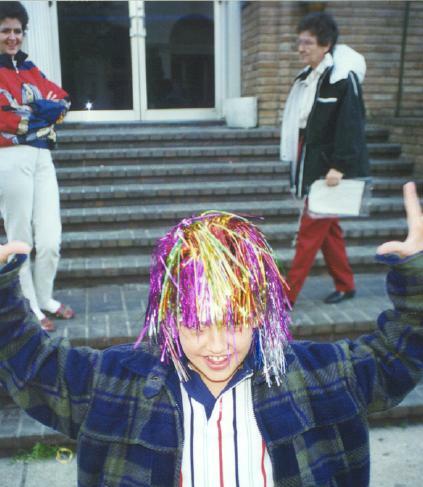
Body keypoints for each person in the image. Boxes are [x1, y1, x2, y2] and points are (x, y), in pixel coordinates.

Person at [0, 182, 423, 486]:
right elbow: (31, 366)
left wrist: (418, 279)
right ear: (169, 316)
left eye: (235, 321)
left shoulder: (319, 377)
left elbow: (396, 357)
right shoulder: (115, 384)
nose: (218, 346)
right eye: (197, 325)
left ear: (259, 312)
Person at [280, 12, 369, 305]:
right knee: (329, 229)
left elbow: (352, 125)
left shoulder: (342, 79)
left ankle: (285, 297)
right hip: (310, 158)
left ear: (326, 44)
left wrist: (339, 166)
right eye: (299, 42)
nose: (301, 48)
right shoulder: (307, 78)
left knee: (310, 231)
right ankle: (346, 284)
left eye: (307, 42)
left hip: (329, 167)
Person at [0, 2, 74, 331]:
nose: (12, 37)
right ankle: (29, 305)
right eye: (5, 31)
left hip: (42, 155)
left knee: (50, 239)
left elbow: (63, 102)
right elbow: (6, 118)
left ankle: (44, 297)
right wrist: (38, 113)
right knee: (20, 238)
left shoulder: (30, 69)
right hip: (10, 158)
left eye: (17, 31)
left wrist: (26, 113)